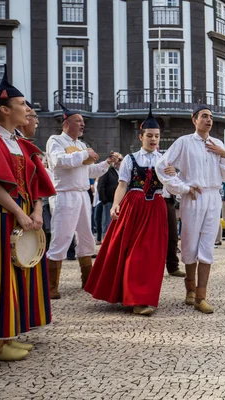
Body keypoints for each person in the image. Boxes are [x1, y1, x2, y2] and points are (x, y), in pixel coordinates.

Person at [0, 69, 55, 361]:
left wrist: (37, 210)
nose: (28, 109)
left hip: (20, 213)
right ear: (4, 110)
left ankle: (6, 334)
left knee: (15, 274)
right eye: (22, 104)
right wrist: (19, 212)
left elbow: (36, 182)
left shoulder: (18, 142)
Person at [85, 107, 170, 315]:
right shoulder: (131, 159)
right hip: (134, 208)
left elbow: (170, 186)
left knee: (152, 255)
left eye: (156, 136)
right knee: (134, 253)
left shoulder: (165, 160)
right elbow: (122, 185)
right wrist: (116, 205)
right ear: (141, 137)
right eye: (149, 136)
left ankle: (143, 296)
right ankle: (136, 300)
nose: (153, 140)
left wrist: (173, 175)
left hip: (156, 209)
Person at [156, 105, 225, 314]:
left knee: (208, 245)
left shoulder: (217, 144)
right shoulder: (184, 142)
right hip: (193, 195)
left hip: (213, 196)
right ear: (194, 120)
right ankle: (189, 289)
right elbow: (162, 166)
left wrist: (224, 154)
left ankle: (201, 296)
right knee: (189, 243)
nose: (208, 120)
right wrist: (182, 187)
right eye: (204, 116)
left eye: (211, 117)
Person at [45, 103, 118, 299]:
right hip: (64, 194)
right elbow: (59, 161)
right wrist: (86, 154)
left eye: (83, 121)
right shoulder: (55, 140)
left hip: (82, 194)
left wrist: (106, 163)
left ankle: (87, 280)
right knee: (61, 237)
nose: (82, 124)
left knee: (87, 238)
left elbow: (89, 171)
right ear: (66, 123)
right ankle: (51, 285)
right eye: (78, 121)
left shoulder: (81, 144)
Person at [97, 155, 122, 243]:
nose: (118, 162)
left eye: (120, 160)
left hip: (120, 202)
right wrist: (104, 200)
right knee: (107, 222)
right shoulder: (107, 171)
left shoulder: (121, 171)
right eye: (116, 160)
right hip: (109, 200)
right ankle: (106, 241)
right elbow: (100, 186)